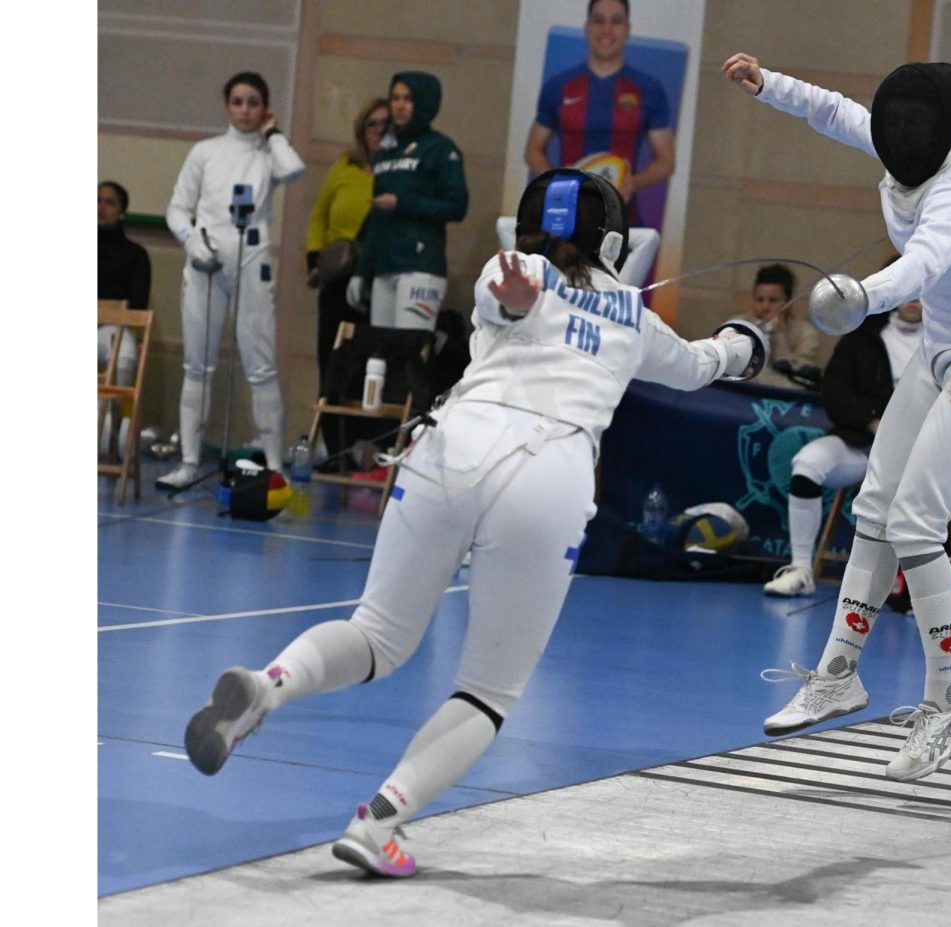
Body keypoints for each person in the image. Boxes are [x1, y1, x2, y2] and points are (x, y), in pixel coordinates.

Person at [183, 168, 767, 878]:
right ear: (613, 237)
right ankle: (378, 823)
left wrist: (520, 302)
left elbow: (508, 299)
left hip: (449, 446)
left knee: (376, 631)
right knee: (488, 689)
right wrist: (746, 341)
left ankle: (268, 684)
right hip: (547, 471)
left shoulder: (509, 266)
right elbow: (704, 365)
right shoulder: (631, 315)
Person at [725, 53, 951, 781]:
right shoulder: (912, 151)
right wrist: (770, 84)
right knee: (874, 506)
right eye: (893, 122)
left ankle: (947, 703)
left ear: (945, 130)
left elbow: (921, 266)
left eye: (909, 122)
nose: (895, 133)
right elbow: (837, 111)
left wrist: (858, 297)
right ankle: (839, 671)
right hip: (940, 354)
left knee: (915, 522)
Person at [157, 71, 305, 490]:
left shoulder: (270, 154)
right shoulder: (204, 152)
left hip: (253, 263)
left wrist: (273, 133)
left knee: (261, 367)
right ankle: (188, 460)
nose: (244, 110)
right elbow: (177, 209)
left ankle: (274, 468)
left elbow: (294, 170)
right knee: (197, 365)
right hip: (205, 265)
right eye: (238, 101)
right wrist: (191, 241)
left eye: (253, 102)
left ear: (265, 107)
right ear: (227, 105)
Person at [765, 291, 923, 596]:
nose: (915, 300)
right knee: (808, 464)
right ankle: (800, 570)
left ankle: (900, 580)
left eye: (923, 292)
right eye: (908, 292)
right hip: (862, 442)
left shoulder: (944, 343)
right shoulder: (861, 338)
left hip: (918, 453)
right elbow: (835, 391)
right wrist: (872, 423)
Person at [524, 0, 675, 226]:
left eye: (615, 21)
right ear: (587, 27)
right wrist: (557, 181)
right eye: (599, 20)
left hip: (623, 220)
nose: (606, 30)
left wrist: (632, 182)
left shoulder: (648, 90)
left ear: (627, 29)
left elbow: (666, 161)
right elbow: (533, 149)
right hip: (565, 218)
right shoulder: (558, 87)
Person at [346, 72, 468, 332]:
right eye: (395, 98)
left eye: (408, 99)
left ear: (424, 102)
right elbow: (378, 217)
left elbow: (457, 206)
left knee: (408, 354)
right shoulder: (386, 152)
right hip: (384, 267)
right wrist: (361, 271)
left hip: (420, 267)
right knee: (379, 355)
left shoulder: (441, 149)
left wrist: (403, 203)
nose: (399, 105)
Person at [305, 97, 388, 381]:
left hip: (378, 277)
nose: (378, 130)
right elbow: (319, 215)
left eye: (385, 124)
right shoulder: (345, 167)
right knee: (331, 357)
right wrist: (314, 259)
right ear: (362, 131)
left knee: (366, 364)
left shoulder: (399, 172)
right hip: (339, 273)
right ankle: (327, 423)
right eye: (371, 124)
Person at [98, 180, 151, 387]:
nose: (100, 207)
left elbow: (138, 304)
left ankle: (109, 416)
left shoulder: (135, 255)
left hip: (112, 327)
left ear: (121, 212)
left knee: (124, 354)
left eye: (110, 203)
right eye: (96, 200)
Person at [737, 263, 822, 390]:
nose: (765, 307)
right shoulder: (739, 324)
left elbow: (799, 380)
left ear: (788, 302)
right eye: (760, 300)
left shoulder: (806, 333)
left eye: (773, 300)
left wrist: (779, 334)